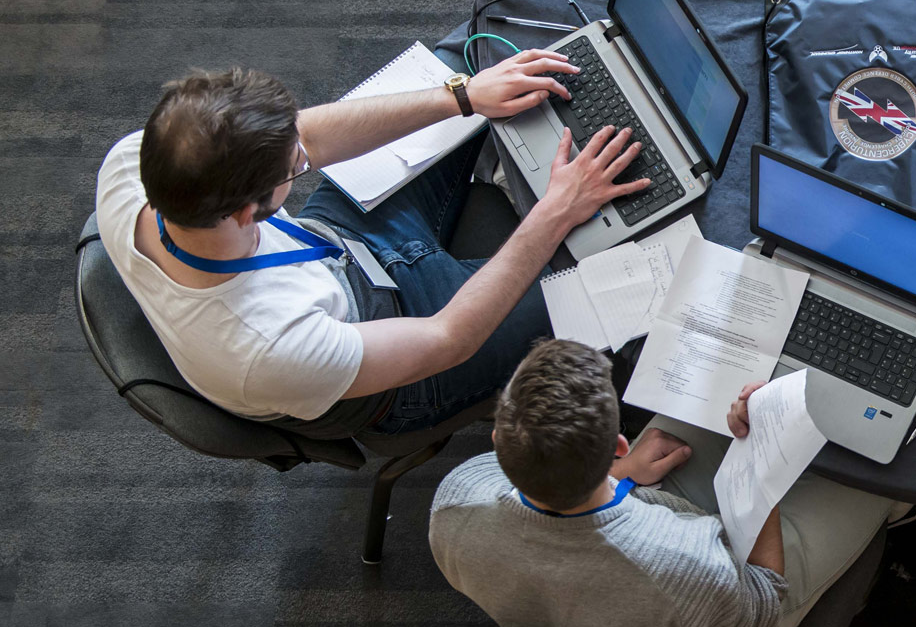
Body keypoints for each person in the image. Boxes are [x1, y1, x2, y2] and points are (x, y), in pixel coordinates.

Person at [93, 55, 651, 439]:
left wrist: (461, 96)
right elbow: (448, 337)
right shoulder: (268, 348)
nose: (305, 154)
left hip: (337, 250)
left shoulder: (135, 163)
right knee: (635, 261)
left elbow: (304, 135)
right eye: (298, 166)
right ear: (244, 210)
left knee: (484, 79)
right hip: (398, 357)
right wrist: (555, 213)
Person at [429, 340, 897, 627]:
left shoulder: (456, 500)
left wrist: (622, 476)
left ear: (496, 440)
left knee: (696, 416)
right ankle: (902, 512)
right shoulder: (687, 566)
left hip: (592, 625)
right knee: (881, 479)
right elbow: (762, 598)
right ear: (618, 443)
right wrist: (762, 468)